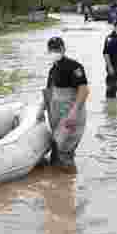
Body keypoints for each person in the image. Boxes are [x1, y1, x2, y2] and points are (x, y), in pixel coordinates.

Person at [37, 37, 90, 166]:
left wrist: (73, 113)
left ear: (63, 48)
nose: (54, 52)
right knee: (57, 150)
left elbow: (84, 90)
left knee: (65, 148)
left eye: (57, 48)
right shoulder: (53, 70)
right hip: (58, 114)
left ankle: (68, 180)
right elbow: (49, 92)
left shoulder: (74, 67)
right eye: (51, 49)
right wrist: (40, 110)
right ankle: (60, 182)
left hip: (72, 113)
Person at [103, 21, 117, 99]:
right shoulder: (110, 38)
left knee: (115, 87)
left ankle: (111, 103)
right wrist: (110, 67)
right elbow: (106, 53)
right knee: (111, 88)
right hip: (113, 67)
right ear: (115, 26)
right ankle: (109, 106)